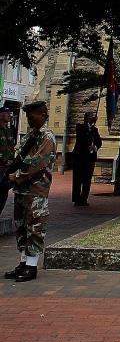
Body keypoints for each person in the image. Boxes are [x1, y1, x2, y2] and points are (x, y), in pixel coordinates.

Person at [4, 99, 56, 282]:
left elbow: (39, 163)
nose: (29, 119)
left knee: (35, 226)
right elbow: (18, 157)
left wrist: (17, 175)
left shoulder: (47, 137)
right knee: (21, 226)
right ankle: (23, 261)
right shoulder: (29, 136)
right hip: (22, 191)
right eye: (27, 116)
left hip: (36, 190)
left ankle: (32, 266)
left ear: (43, 115)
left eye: (32, 116)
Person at [72, 110, 103, 206]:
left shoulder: (95, 130)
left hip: (90, 158)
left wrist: (95, 147)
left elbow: (99, 142)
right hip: (80, 158)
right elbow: (84, 137)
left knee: (87, 180)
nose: (92, 119)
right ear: (86, 119)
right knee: (77, 179)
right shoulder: (80, 128)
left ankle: (84, 199)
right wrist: (90, 127)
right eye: (90, 118)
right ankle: (77, 199)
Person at [0, 105, 17, 216]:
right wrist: (4, 160)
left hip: (6, 169)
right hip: (0, 166)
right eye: (7, 113)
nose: (10, 116)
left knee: (3, 194)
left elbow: (11, 147)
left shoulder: (9, 129)